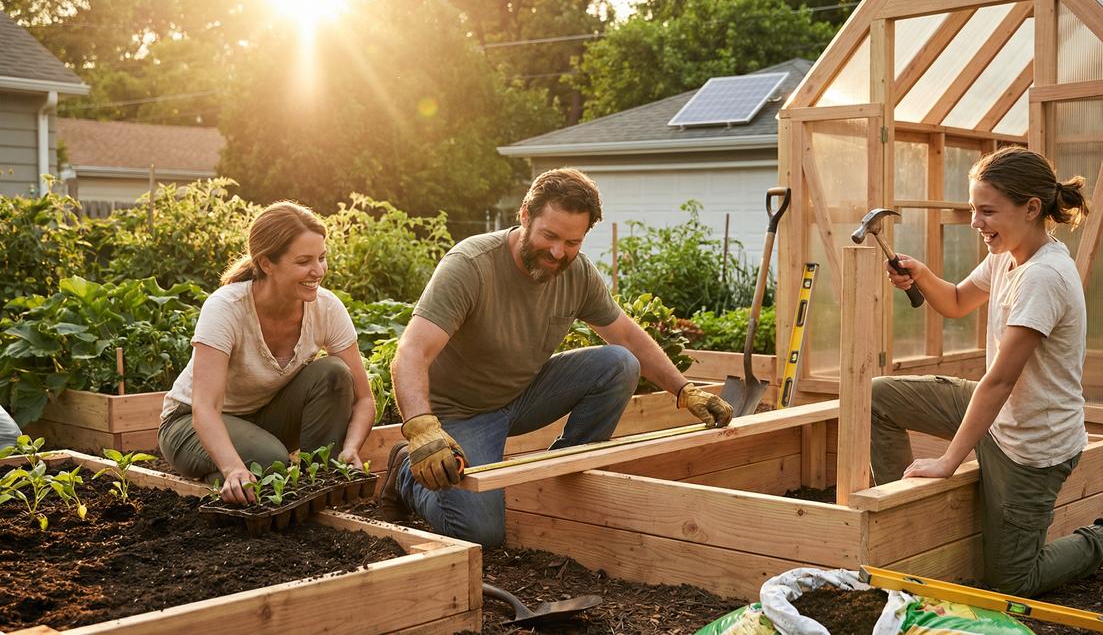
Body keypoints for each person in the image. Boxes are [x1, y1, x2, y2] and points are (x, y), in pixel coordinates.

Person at [871, 146, 1103, 596]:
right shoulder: (1006, 254)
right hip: (1001, 419)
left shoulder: (1044, 277)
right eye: (974, 209)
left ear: (1031, 208)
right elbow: (957, 300)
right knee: (880, 397)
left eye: (987, 211)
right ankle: (902, 522)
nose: (976, 222)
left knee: (1013, 580)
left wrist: (947, 462)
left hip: (1033, 445)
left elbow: (999, 381)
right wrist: (920, 274)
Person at [380, 168, 734, 547]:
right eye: (549, 236)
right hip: (461, 414)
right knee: (482, 534)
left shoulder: (577, 274)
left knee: (619, 363)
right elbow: (411, 351)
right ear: (524, 216)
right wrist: (421, 428)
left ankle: (562, 475)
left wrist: (685, 391)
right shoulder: (472, 265)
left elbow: (627, 335)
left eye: (572, 242)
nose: (557, 252)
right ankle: (404, 474)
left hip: (522, 396)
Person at [158, 201, 375, 504]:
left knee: (335, 373)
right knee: (273, 464)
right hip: (191, 425)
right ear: (266, 263)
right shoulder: (226, 308)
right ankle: (232, 475)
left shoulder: (326, 308)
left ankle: (320, 482)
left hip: (262, 419)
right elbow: (204, 408)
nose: (318, 271)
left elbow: (364, 399)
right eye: (303, 261)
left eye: (322, 258)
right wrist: (233, 467)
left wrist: (350, 448)